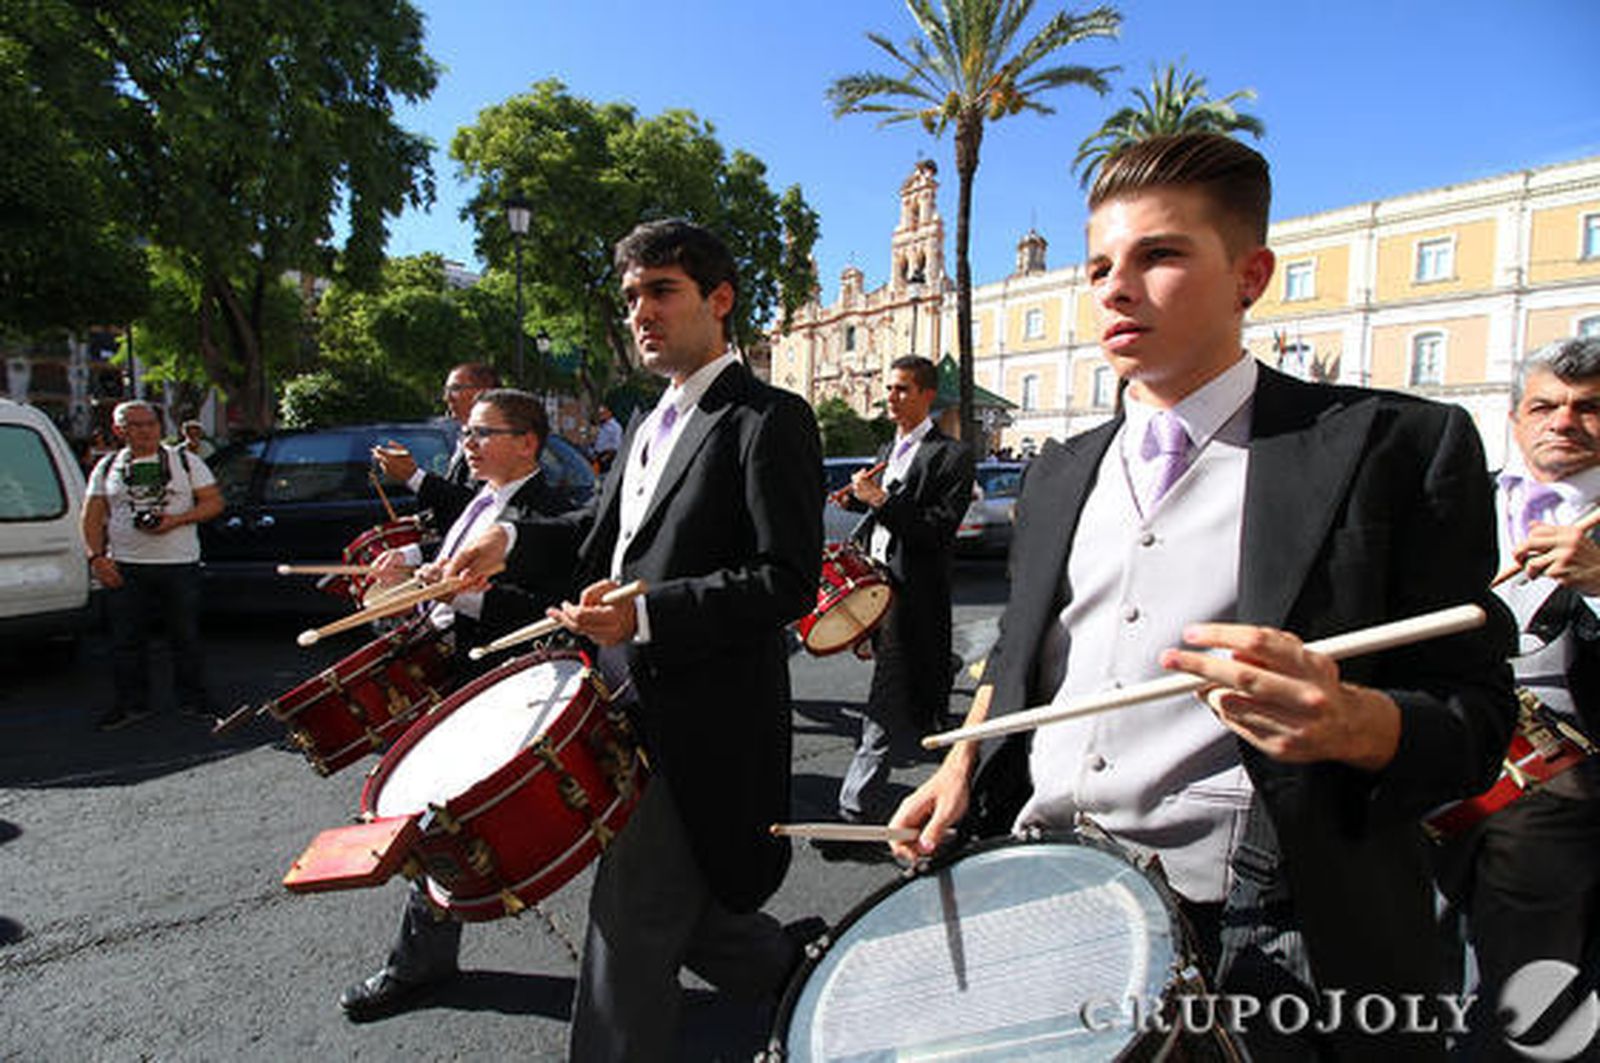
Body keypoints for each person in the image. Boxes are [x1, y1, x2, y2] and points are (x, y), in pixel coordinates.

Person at [887, 134, 1516, 1060]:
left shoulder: (1396, 447)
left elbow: (1478, 717)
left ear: (1249, 275)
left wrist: (1353, 722)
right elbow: (1028, 655)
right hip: (1048, 893)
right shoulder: (1060, 472)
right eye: (1100, 263)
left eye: (1161, 255)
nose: (1114, 286)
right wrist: (960, 766)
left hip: (1268, 937)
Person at [445, 219, 824, 1060]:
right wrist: (508, 541)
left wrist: (648, 613)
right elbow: (598, 534)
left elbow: (788, 579)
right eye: (631, 299)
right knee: (691, 917)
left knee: (629, 921)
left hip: (702, 722)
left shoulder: (768, 417)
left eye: (662, 291)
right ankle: (795, 967)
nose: (641, 314)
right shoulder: (650, 421)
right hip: (614, 700)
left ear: (719, 300)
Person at [338, 387, 579, 1023]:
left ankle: (744, 950)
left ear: (526, 442)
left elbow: (544, 611)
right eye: (465, 434)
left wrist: (459, 595)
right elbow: (450, 546)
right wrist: (415, 561)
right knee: (433, 820)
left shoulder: (550, 509)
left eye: (480, 434)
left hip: (505, 683)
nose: (464, 445)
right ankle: (421, 960)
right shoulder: (481, 499)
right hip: (452, 667)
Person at [1433, 337, 1600, 1061]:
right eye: (1546, 405)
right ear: (1514, 418)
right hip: (1433, 779)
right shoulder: (1453, 501)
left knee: (1526, 1004)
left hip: (1557, 799)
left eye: (1590, 407)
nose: (1564, 421)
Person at [825, 354, 973, 844]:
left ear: (928, 395)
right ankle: (941, 670)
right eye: (888, 388)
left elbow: (934, 531)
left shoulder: (951, 455)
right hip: (876, 591)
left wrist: (882, 501)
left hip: (911, 599)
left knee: (885, 703)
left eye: (902, 389)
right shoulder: (890, 450)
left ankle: (854, 808)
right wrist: (857, 499)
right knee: (910, 694)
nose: (891, 397)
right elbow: (884, 518)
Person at [82, 400, 225, 730]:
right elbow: (91, 516)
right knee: (125, 640)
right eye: (136, 425)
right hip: (126, 565)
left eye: (151, 423)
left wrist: (176, 520)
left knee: (185, 636)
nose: (145, 430)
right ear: (119, 430)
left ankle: (194, 700)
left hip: (179, 563)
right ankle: (132, 705)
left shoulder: (185, 462)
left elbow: (214, 502)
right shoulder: (107, 468)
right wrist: (96, 557)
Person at [371, 362, 499, 530]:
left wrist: (414, 476)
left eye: (455, 389)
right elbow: (456, 500)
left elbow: (476, 505)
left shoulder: (497, 440)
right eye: (446, 391)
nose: (447, 398)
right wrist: (421, 520)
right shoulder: (465, 435)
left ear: (483, 393)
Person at [591, 403, 622, 474]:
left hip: (607, 458)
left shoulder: (615, 427)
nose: (601, 416)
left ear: (609, 413)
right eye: (600, 414)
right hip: (598, 457)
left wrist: (604, 458)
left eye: (603, 413)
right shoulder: (602, 426)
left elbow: (616, 446)